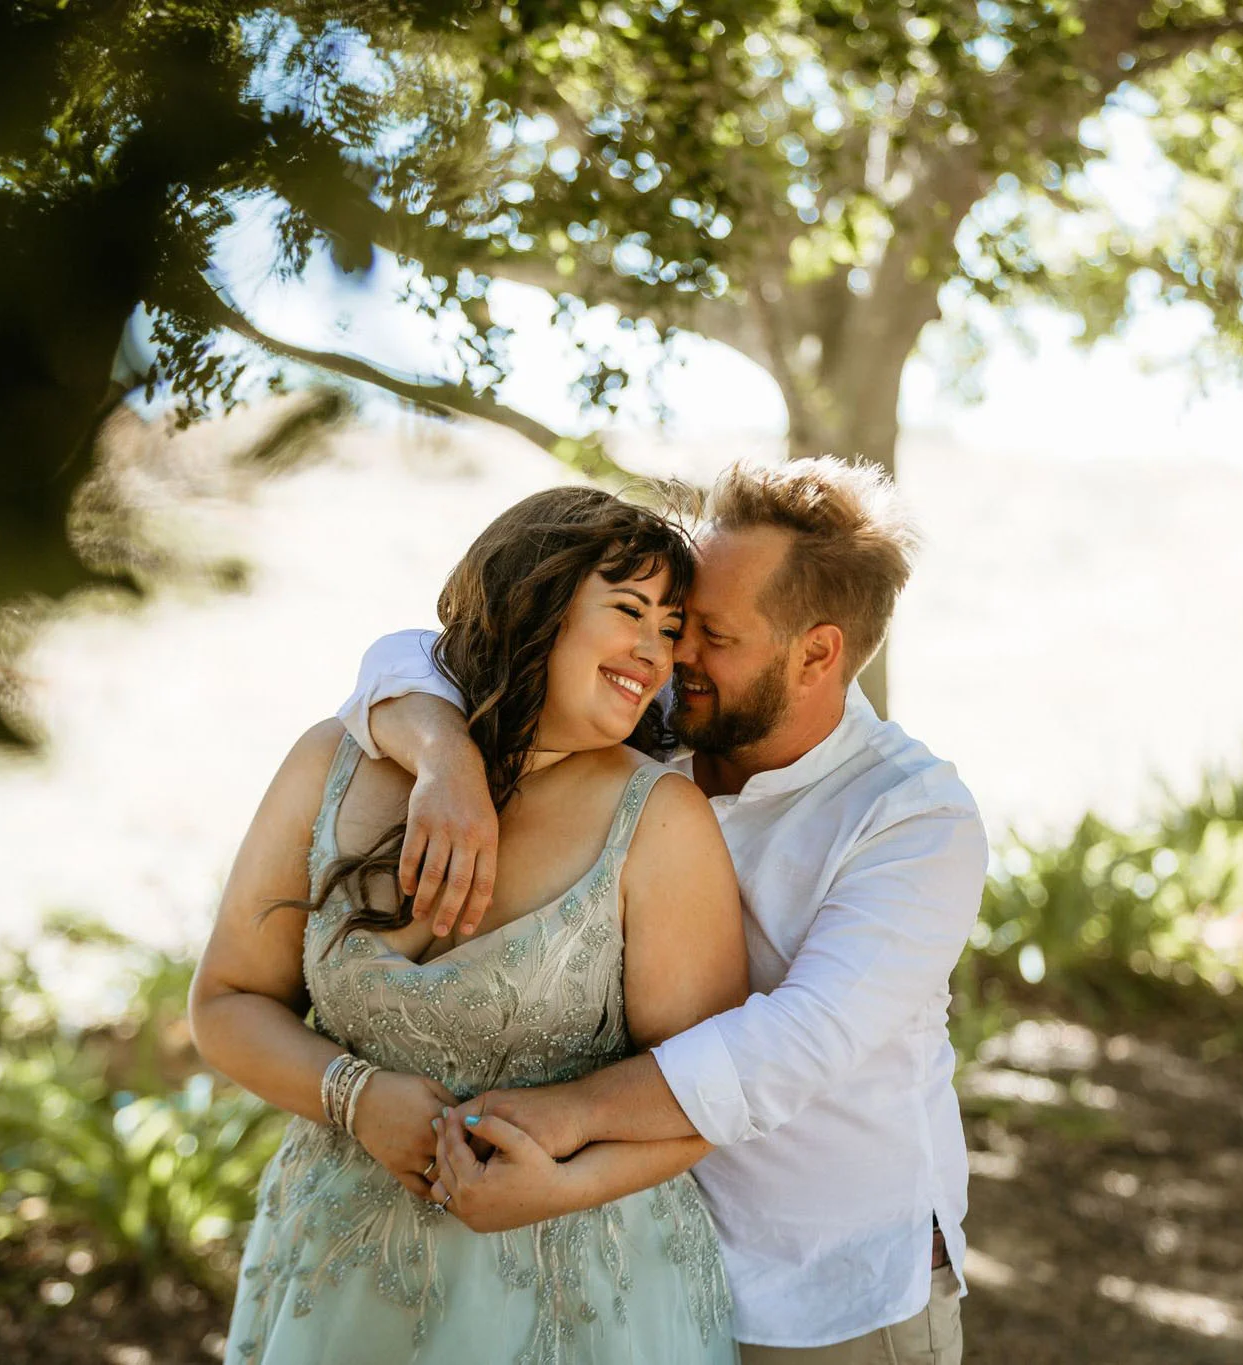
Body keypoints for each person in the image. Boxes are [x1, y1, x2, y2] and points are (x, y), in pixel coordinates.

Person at [341, 457, 987, 1364]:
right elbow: (414, 652)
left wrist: (562, 1116)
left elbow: (789, 1044)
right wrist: (445, 757)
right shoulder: (663, 726)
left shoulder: (915, 819)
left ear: (817, 652)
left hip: (831, 1299)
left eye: (711, 632)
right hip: (645, 1270)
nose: (672, 653)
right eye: (677, 621)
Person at [189, 486, 750, 1364]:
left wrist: (557, 1187)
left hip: (580, 1297)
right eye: (630, 610)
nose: (656, 650)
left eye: (672, 627)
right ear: (537, 603)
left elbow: (707, 1092)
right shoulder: (331, 761)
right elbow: (225, 1001)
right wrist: (354, 1095)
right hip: (336, 1278)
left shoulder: (661, 820)